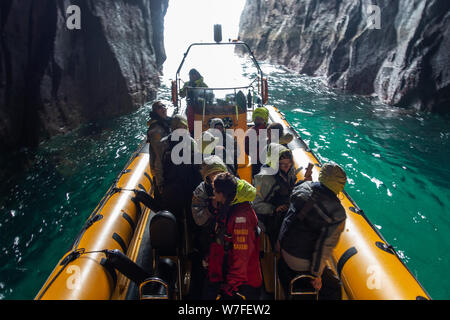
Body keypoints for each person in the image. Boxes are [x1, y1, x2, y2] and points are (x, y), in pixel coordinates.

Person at [277, 162, 348, 300]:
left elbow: (288, 219)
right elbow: (324, 246)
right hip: (300, 262)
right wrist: (317, 275)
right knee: (334, 288)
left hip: (283, 250)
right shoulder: (337, 213)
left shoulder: (302, 188)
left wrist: (279, 243)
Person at [202, 172, 262, 300]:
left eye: (214, 190)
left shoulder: (241, 218)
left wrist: (231, 285)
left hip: (242, 284)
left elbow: (242, 255)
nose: (213, 193)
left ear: (222, 194)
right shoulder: (230, 206)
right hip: (229, 274)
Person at [160, 115, 202, 227]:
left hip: (188, 184)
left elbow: (198, 165)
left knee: (188, 214)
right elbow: (159, 166)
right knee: (177, 215)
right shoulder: (164, 143)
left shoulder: (191, 142)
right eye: (178, 127)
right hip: (174, 184)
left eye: (183, 127)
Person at [253, 143, 298, 248]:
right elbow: (255, 204)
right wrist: (274, 209)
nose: (287, 166)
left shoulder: (290, 172)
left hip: (286, 210)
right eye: (282, 164)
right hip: (269, 217)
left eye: (289, 163)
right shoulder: (265, 179)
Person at [146, 101, 171, 198]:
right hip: (163, 172)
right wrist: (160, 182)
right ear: (155, 112)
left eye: (164, 106)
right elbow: (159, 157)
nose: (163, 108)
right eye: (160, 107)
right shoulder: (156, 130)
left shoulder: (165, 123)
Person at [179, 69, 208, 133]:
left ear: (197, 75)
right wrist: (185, 90)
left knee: (198, 120)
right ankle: (191, 131)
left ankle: (197, 133)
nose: (190, 77)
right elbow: (181, 95)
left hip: (201, 107)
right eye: (190, 75)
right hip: (190, 105)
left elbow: (209, 95)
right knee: (190, 119)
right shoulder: (187, 84)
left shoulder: (203, 85)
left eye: (192, 75)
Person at [244, 106, 269, 178]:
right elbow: (246, 148)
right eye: (257, 118)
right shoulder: (251, 132)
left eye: (261, 119)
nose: (259, 120)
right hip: (258, 160)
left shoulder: (251, 131)